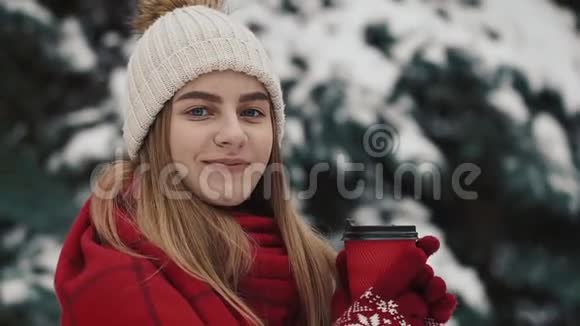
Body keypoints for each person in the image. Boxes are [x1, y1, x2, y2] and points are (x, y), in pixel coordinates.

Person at [53, 1, 457, 325]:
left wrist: (367, 306)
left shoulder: (307, 273)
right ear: (153, 134)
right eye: (199, 111)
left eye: (252, 113)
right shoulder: (117, 282)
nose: (234, 134)